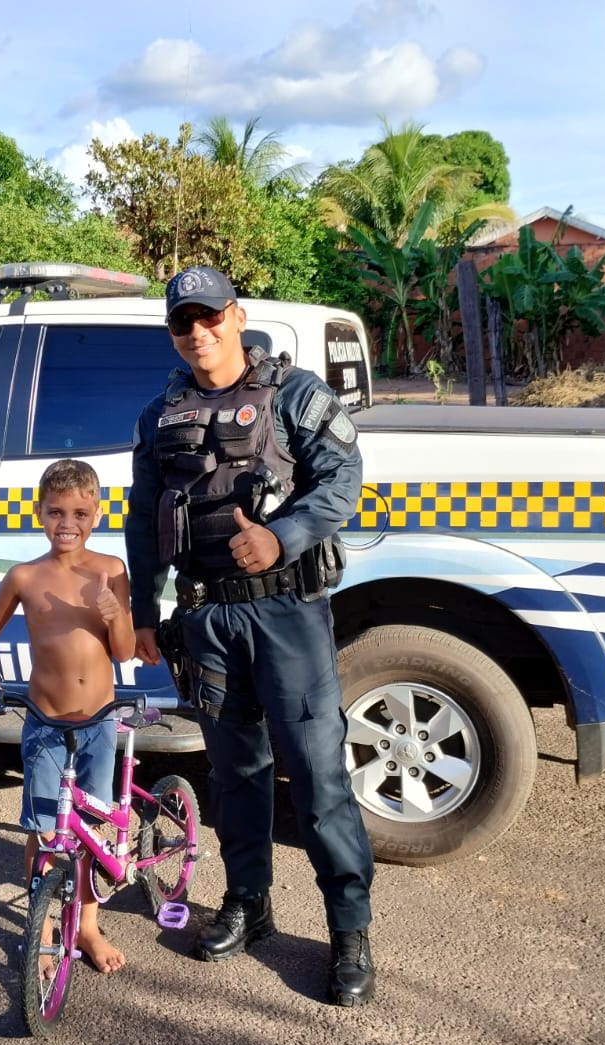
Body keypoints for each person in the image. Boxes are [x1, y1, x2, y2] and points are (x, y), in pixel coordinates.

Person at [125, 265, 378, 1007]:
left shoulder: (294, 394)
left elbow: (343, 479)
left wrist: (282, 536)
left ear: (236, 316)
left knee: (319, 777)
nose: (197, 332)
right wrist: (143, 612)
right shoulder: (159, 416)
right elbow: (143, 517)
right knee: (235, 773)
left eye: (209, 316)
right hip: (206, 619)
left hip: (286, 612)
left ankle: (349, 931)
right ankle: (248, 902)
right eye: (183, 322)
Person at [0, 458, 137, 974]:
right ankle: (41, 926)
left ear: (97, 514)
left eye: (80, 513)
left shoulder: (111, 570)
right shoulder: (24, 576)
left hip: (98, 722)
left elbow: (124, 651)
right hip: (44, 722)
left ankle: (87, 926)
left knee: (90, 830)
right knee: (44, 829)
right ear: (40, 513)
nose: (68, 523)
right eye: (56, 512)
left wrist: (116, 615)